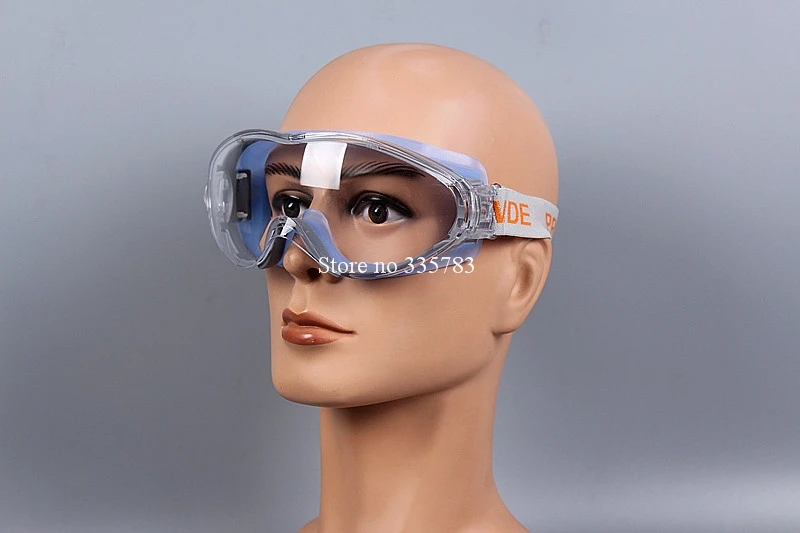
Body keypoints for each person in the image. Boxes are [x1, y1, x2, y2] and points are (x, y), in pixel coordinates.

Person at [204, 42, 559, 533]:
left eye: (377, 210)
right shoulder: (295, 256)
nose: (298, 258)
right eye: (289, 206)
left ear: (519, 281)